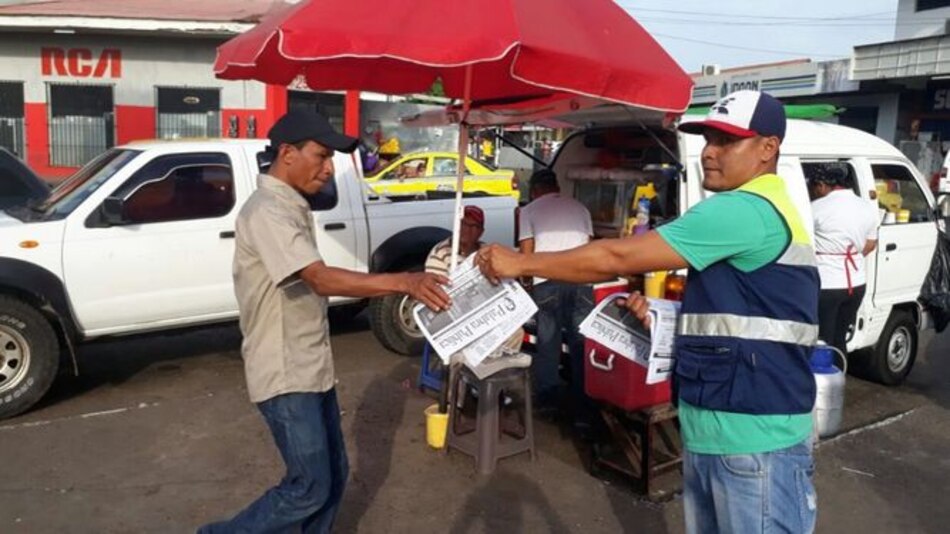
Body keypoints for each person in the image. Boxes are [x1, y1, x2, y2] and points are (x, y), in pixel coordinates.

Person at [477, 90, 820, 533]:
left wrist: (520, 262)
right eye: (708, 140)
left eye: (726, 142)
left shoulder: (744, 209)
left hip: (752, 437)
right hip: (725, 428)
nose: (709, 153)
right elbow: (745, 310)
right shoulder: (757, 209)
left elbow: (617, 258)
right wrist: (662, 315)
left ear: (767, 148)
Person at [198, 110, 450, 534]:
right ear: (287, 153)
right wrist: (405, 281)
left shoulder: (291, 204)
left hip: (309, 366)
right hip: (284, 371)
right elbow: (317, 277)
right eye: (321, 155)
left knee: (332, 477)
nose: (329, 168)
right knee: (309, 487)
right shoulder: (268, 211)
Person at [519, 168, 594, 426]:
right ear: (556, 187)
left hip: (547, 281)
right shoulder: (581, 208)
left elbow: (526, 255)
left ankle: (549, 402)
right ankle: (583, 403)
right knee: (580, 343)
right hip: (582, 280)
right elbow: (590, 246)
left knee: (548, 344)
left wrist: (526, 286)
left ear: (536, 190)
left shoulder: (528, 211)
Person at [809, 164, 879, 356]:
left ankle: (819, 384)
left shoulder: (816, 208)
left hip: (828, 284)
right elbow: (871, 244)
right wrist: (848, 255)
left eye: (814, 186)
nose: (814, 191)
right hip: (856, 284)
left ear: (822, 185)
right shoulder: (866, 207)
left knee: (822, 339)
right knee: (840, 337)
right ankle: (838, 378)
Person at [425, 205, 486, 276]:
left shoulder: (486, 251)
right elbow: (435, 285)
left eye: (474, 226)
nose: (467, 229)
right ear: (456, 225)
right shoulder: (440, 252)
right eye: (463, 224)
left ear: (481, 232)